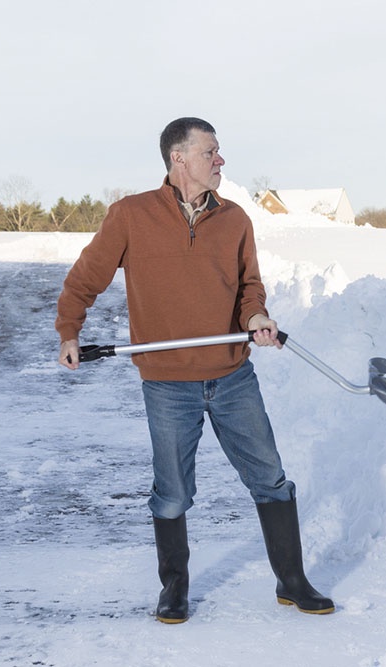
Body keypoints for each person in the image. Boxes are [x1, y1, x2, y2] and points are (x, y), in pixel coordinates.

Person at [55, 117, 334, 623]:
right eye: (211, 152)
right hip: (166, 382)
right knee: (173, 490)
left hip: (231, 376)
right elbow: (85, 278)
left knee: (270, 478)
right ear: (178, 158)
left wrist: (256, 318)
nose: (220, 160)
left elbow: (250, 286)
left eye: (219, 151)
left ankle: (292, 582)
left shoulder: (235, 220)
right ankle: (174, 589)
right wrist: (69, 331)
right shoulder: (131, 215)